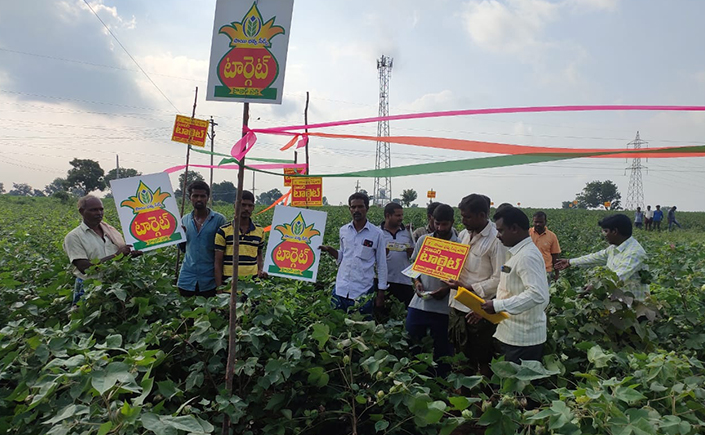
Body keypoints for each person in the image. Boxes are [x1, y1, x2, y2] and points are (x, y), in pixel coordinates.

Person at [443, 194, 505, 377]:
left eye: (468, 217)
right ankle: (463, 390)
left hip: (479, 309)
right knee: (460, 356)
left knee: (483, 357)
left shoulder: (496, 240)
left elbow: (499, 279)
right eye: (462, 216)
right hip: (457, 305)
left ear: (482, 215)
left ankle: (484, 393)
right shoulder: (463, 235)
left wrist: (468, 288)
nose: (463, 221)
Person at [480, 206, 550, 364]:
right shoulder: (517, 252)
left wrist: (498, 305)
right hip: (513, 333)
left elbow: (537, 294)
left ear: (514, 228)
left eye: (501, 231)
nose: (498, 236)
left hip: (523, 339)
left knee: (518, 380)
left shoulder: (527, 256)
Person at [406, 204, 457, 376]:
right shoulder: (424, 240)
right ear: (432, 221)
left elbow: (462, 277)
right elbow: (414, 267)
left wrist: (446, 290)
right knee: (413, 341)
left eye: (444, 224)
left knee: (443, 350)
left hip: (444, 307)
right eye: (437, 224)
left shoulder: (459, 244)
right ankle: (416, 376)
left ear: (452, 222)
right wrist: (417, 282)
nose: (440, 228)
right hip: (420, 302)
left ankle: (441, 382)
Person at [63, 195, 141, 305]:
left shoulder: (111, 231)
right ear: (82, 211)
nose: (99, 213)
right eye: (93, 210)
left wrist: (130, 254)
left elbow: (120, 257)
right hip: (90, 289)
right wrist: (116, 255)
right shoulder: (74, 237)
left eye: (101, 209)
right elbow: (85, 268)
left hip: (116, 284)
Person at [319, 192, 388, 314]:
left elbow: (381, 264)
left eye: (360, 206)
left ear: (367, 208)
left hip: (362, 292)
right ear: (349, 209)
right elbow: (343, 256)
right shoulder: (344, 230)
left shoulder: (377, 234)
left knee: (360, 324)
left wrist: (381, 293)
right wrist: (329, 250)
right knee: (336, 323)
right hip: (340, 289)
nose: (356, 210)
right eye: (353, 207)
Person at [554, 214, 649, 301]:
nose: (604, 235)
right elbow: (595, 257)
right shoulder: (614, 248)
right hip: (617, 302)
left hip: (634, 307)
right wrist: (570, 262)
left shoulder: (634, 253)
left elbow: (618, 277)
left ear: (615, 231)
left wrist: (595, 286)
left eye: (606, 231)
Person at [177, 181, 226, 298]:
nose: (199, 199)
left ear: (208, 198)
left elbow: (224, 251)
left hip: (210, 279)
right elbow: (183, 249)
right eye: (195, 196)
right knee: (186, 308)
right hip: (187, 279)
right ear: (190, 198)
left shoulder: (219, 220)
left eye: (202, 196)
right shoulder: (184, 220)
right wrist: (181, 236)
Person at [215, 190, 267, 288]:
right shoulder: (223, 231)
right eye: (243, 205)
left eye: (250, 205)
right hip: (229, 287)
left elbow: (259, 254)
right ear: (235, 206)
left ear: (253, 208)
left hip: (252, 288)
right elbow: (218, 262)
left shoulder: (259, 231)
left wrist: (260, 269)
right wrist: (219, 289)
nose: (246, 208)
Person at [380, 203, 414, 307]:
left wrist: (411, 253)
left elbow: (415, 255)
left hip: (404, 281)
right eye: (398, 215)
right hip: (383, 282)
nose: (401, 218)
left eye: (402, 215)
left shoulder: (408, 233)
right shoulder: (377, 232)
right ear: (388, 216)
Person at [529, 211, 561, 281]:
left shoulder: (552, 236)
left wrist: (557, 274)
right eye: (536, 222)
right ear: (533, 222)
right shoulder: (527, 234)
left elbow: (555, 256)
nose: (538, 224)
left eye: (541, 222)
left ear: (545, 222)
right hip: (529, 269)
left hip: (546, 271)